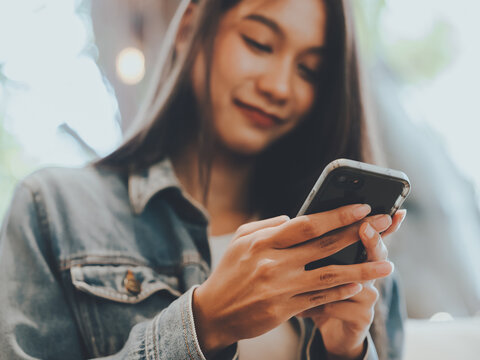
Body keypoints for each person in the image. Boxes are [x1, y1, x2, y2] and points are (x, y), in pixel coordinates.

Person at [0, 0, 407, 359]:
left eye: (309, 70)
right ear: (190, 25)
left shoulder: (357, 263)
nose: (279, 86)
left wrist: (344, 354)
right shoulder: (55, 208)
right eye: (259, 44)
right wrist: (203, 325)